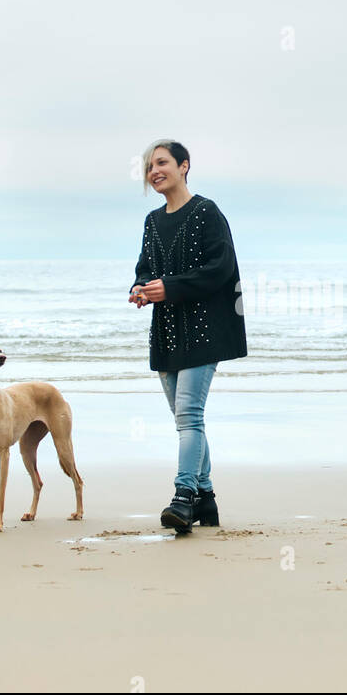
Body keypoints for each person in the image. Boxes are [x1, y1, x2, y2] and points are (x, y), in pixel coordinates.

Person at [129, 139, 247, 534]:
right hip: (165, 331)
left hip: (204, 329)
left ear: (184, 166)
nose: (154, 171)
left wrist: (171, 288)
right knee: (185, 419)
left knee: (189, 418)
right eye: (149, 167)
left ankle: (183, 498)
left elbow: (222, 267)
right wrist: (141, 288)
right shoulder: (152, 221)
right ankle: (207, 498)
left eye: (161, 163)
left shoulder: (206, 212)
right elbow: (145, 267)